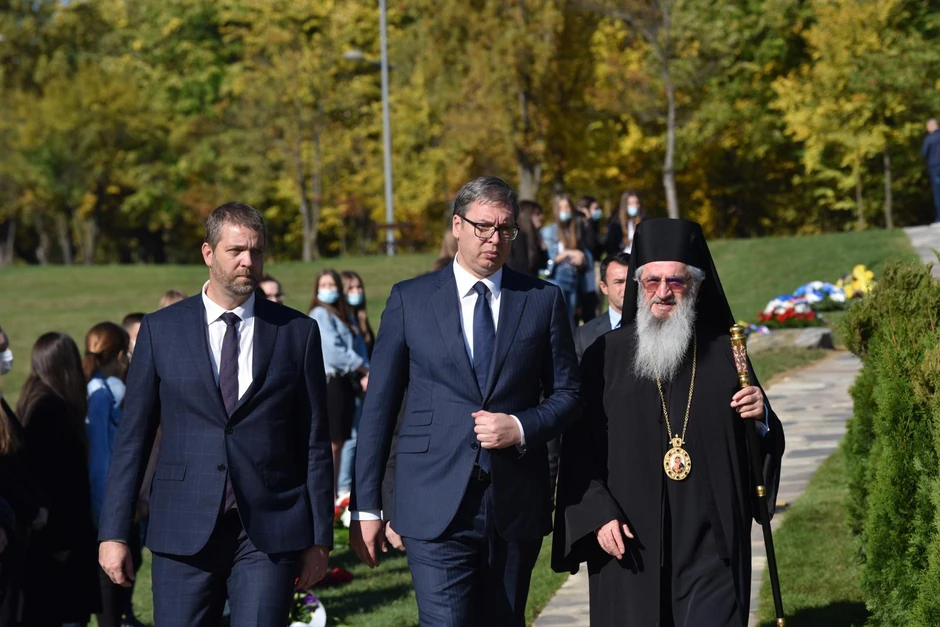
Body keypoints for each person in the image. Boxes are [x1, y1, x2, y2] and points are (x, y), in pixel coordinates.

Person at [350, 176, 581, 626]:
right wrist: (367, 506)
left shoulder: (541, 300)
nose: (495, 239)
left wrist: (520, 426)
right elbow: (378, 410)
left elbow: (569, 395)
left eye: (506, 229)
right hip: (432, 498)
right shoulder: (410, 300)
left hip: (513, 501)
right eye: (483, 227)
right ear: (457, 226)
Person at [98, 202, 333, 627]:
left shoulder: (297, 332)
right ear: (208, 252)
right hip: (182, 525)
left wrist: (319, 538)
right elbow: (133, 438)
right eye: (236, 250)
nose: (248, 261)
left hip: (268, 529)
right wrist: (114, 531)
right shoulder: (161, 330)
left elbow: (314, 441)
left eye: (256, 251)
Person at [553, 219, 785, 627]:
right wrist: (599, 514)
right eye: (652, 281)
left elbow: (760, 437)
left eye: (675, 281)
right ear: (638, 285)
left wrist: (761, 415)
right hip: (629, 539)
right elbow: (577, 448)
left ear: (695, 286)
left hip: (711, 544)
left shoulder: (725, 352)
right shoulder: (604, 356)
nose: (663, 292)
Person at [17, 332, 101, 627]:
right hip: (60, 537)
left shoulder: (39, 399)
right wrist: (61, 539)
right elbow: (55, 480)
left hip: (58, 533)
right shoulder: (49, 410)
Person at [84, 322, 131, 627]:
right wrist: (107, 514)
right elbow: (101, 459)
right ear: (120, 355)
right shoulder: (103, 395)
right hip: (102, 502)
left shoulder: (93, 388)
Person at [308, 269, 370, 497]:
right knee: (334, 440)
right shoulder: (320, 314)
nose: (328, 290)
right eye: (323, 285)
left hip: (347, 382)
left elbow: (358, 345)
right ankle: (331, 492)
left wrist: (366, 369)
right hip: (332, 380)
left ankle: (338, 491)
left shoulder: (343, 316)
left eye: (332, 285)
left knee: (343, 439)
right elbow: (333, 351)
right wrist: (364, 368)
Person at [336, 271, 374, 500]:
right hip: (348, 386)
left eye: (359, 288)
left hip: (364, 387)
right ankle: (343, 489)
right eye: (351, 289)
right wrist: (365, 371)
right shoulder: (342, 321)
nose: (356, 293)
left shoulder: (361, 320)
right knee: (349, 439)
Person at [541, 194, 591, 327]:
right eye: (561, 207)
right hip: (557, 279)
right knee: (558, 319)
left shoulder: (575, 231)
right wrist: (569, 253)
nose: (564, 211)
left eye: (567, 207)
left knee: (570, 321)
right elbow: (549, 260)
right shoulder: (549, 231)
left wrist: (581, 259)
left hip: (573, 279)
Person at [574, 252, 630, 360]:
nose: (626, 288)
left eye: (631, 282)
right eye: (619, 282)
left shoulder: (656, 328)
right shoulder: (584, 336)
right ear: (604, 287)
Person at [506, 200, 548, 277]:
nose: (541, 217)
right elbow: (520, 266)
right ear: (527, 215)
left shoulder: (535, 237)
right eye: (537, 214)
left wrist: (543, 249)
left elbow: (543, 265)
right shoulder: (518, 237)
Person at [605, 191, 644, 257]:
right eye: (631, 203)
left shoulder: (642, 221)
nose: (634, 206)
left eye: (636, 203)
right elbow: (611, 245)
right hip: (622, 258)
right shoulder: (615, 223)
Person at [922, 118, 940, 224]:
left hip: (935, 168)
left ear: (931, 126)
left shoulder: (929, 138)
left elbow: (924, 153)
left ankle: (939, 217)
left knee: (937, 193)